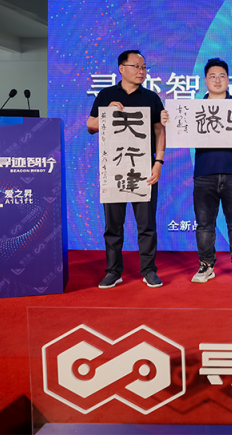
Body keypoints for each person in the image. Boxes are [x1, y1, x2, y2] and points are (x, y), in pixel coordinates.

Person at [161, 58, 232, 284]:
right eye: (212, 76)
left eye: (222, 76)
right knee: (204, 223)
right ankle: (206, 265)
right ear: (205, 81)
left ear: (228, 80)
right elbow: (177, 131)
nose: (217, 80)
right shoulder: (193, 109)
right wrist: (167, 120)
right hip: (204, 173)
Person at [87, 50, 166, 289]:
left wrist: (158, 162)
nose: (142, 71)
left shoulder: (151, 97)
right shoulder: (106, 94)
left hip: (144, 169)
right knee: (113, 226)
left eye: (144, 67)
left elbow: (159, 131)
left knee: (147, 225)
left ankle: (149, 270)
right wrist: (107, 114)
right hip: (114, 169)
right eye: (137, 67)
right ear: (122, 68)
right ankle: (113, 271)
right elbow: (90, 125)